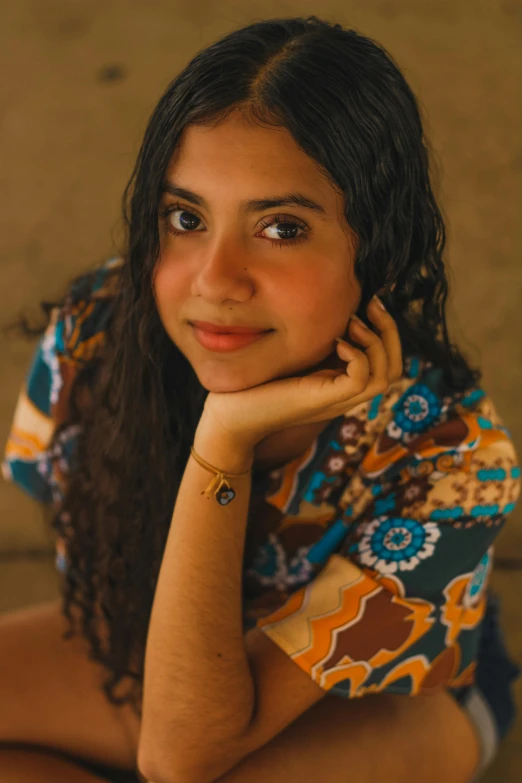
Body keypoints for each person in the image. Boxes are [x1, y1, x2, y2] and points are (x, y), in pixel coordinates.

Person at [1, 15, 520, 783]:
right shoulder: (97, 335)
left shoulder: (455, 461)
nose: (215, 280)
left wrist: (222, 444)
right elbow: (128, 632)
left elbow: (183, 757)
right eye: (186, 218)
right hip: (164, 652)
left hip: (376, 693)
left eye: (280, 227)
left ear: (382, 249)